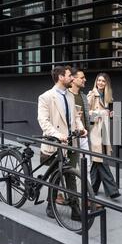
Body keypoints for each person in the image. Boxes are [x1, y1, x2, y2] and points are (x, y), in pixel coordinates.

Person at [37, 65, 87, 219]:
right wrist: (57, 134)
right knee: (55, 176)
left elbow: (75, 117)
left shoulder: (70, 95)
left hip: (71, 142)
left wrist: (81, 128)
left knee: (70, 175)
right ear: (60, 77)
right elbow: (43, 121)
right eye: (69, 75)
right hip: (56, 142)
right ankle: (50, 205)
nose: (72, 78)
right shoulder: (46, 97)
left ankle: (75, 209)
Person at [87, 73, 121, 199]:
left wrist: (110, 115)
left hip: (104, 131)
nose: (100, 83)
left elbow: (107, 115)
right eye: (99, 80)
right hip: (94, 132)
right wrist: (101, 113)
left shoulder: (108, 97)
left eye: (103, 81)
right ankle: (112, 190)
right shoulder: (91, 95)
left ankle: (92, 188)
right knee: (101, 160)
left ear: (107, 83)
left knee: (97, 161)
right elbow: (86, 114)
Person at [68, 68, 91, 165]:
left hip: (83, 135)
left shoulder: (84, 96)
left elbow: (87, 116)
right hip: (71, 137)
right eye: (82, 78)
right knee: (71, 166)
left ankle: (86, 181)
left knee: (87, 166)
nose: (85, 80)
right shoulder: (66, 95)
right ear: (73, 79)